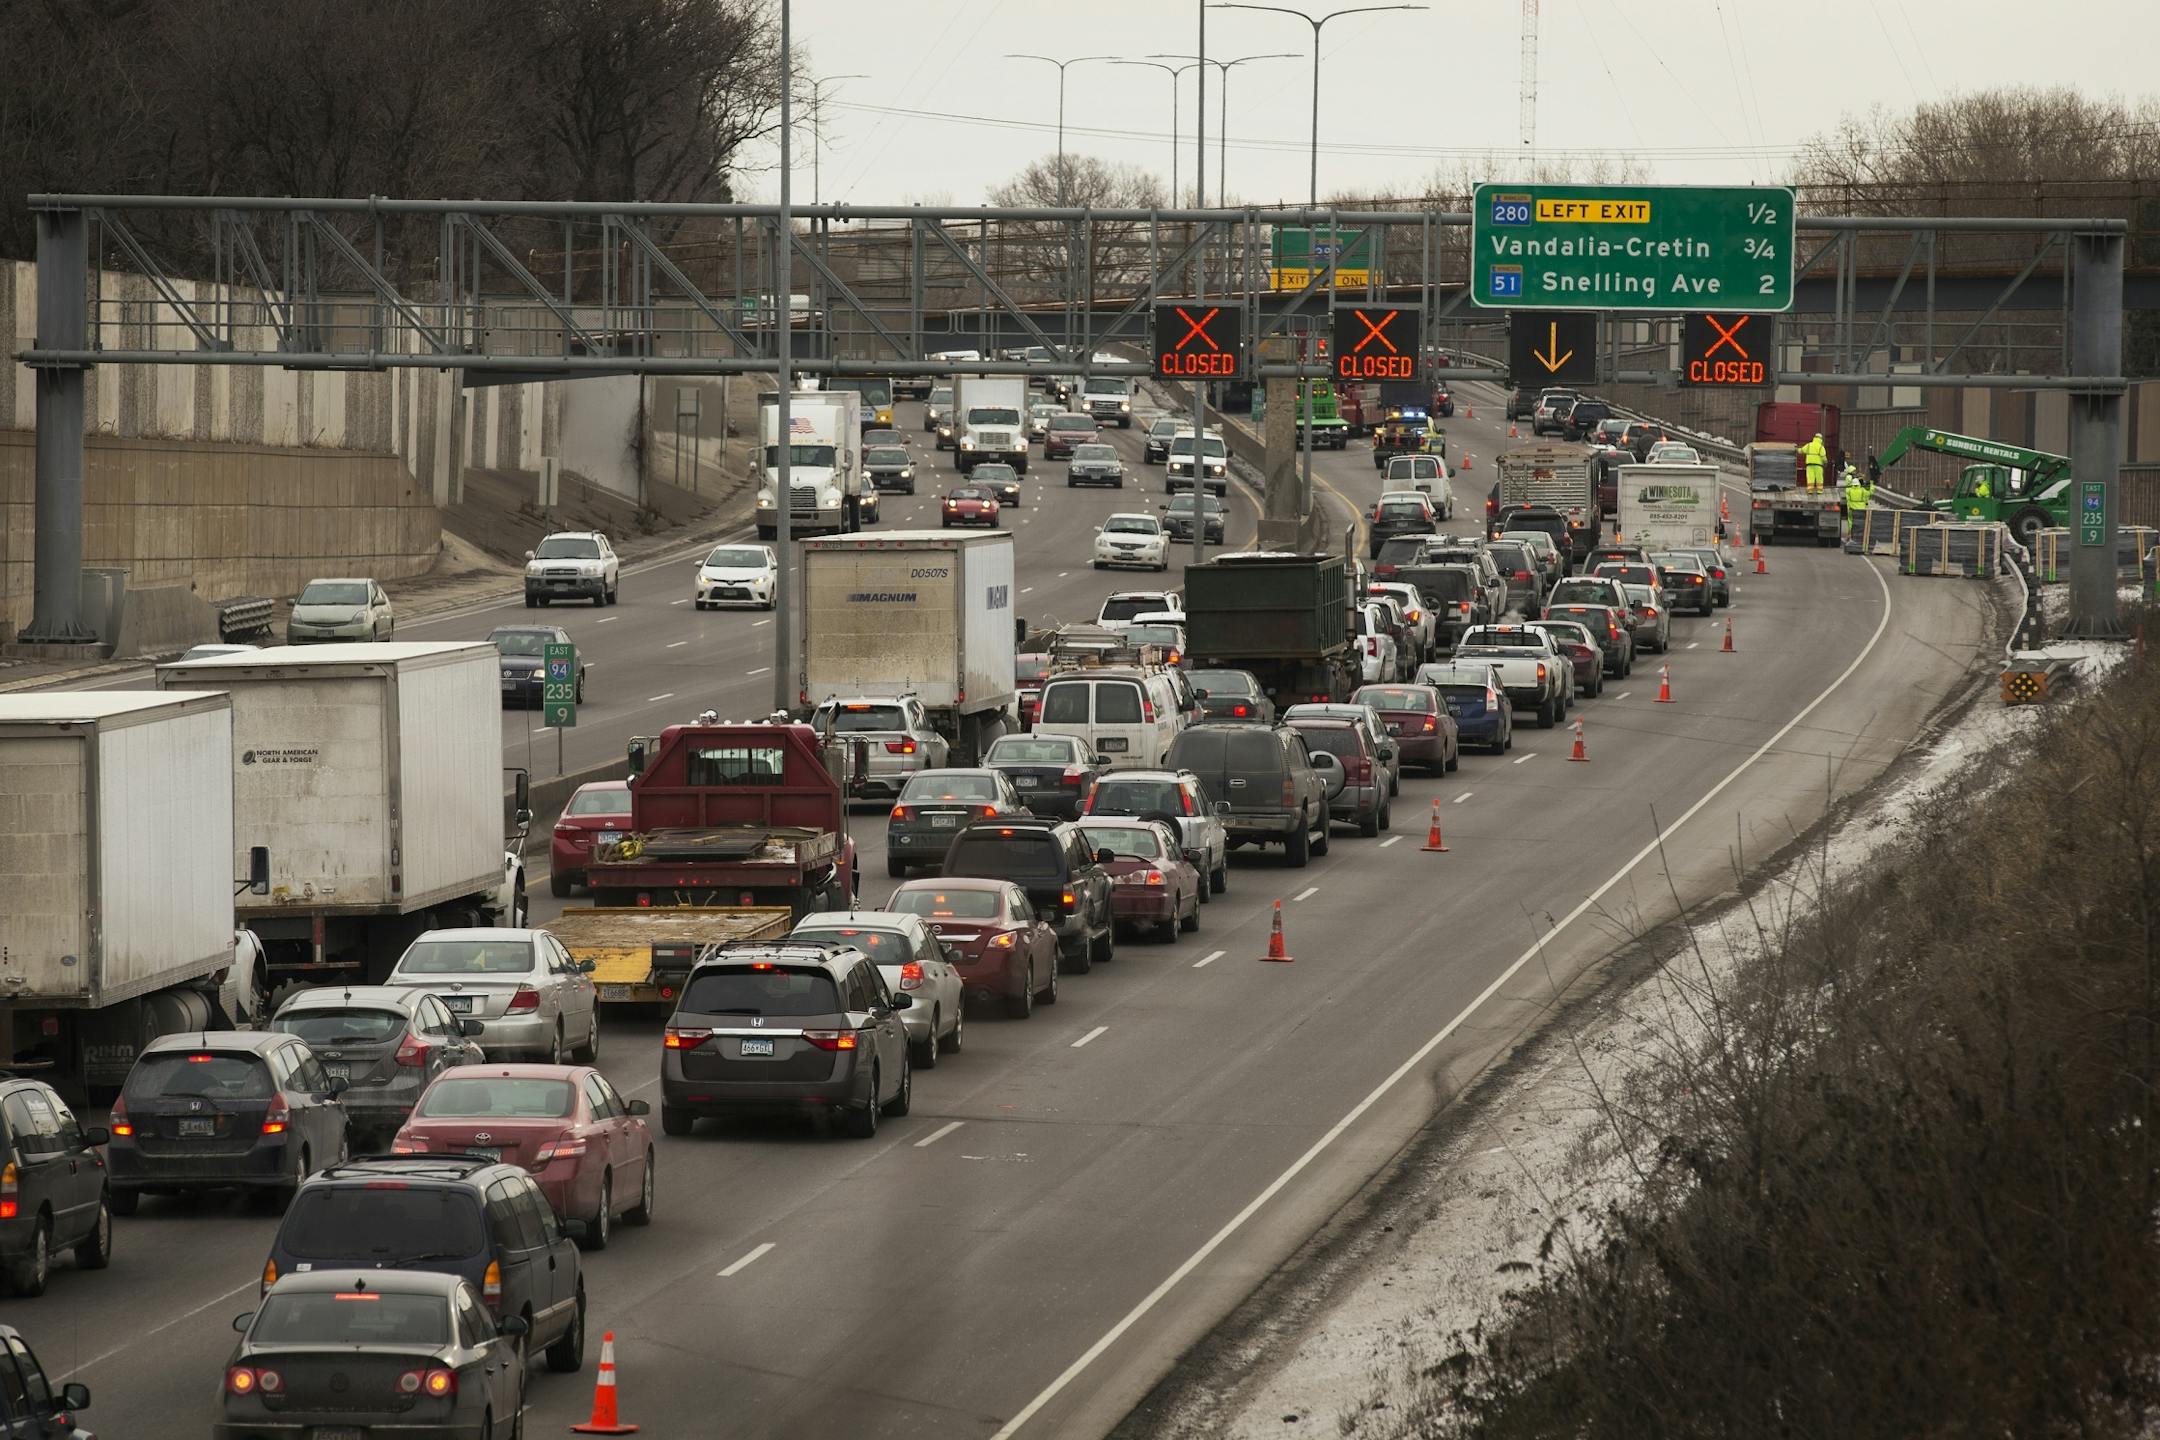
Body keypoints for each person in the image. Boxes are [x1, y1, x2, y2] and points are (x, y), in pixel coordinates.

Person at [1843, 468, 1869, 541]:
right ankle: (1860, 536)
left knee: (1851, 522)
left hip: (1852, 508)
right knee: (1860, 522)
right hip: (1861, 509)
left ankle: (1850, 534)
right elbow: (1867, 495)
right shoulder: (1862, 490)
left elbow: (1847, 499)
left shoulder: (1849, 490)